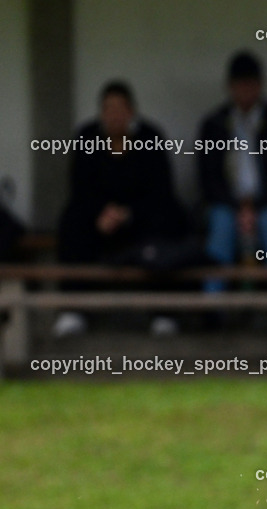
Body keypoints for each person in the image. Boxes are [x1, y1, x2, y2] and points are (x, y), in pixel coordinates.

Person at [54, 81, 187, 337]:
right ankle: (73, 310)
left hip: (139, 219)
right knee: (71, 221)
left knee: (170, 219)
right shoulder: (87, 137)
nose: (114, 115)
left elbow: (161, 191)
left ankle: (165, 313)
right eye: (107, 109)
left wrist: (128, 214)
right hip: (100, 222)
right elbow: (79, 188)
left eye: (119, 109)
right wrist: (101, 213)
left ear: (131, 112)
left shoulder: (150, 138)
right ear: (101, 114)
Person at [198, 51, 267, 292]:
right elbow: (208, 178)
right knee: (221, 225)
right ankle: (212, 312)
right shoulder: (213, 124)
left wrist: (255, 207)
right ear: (230, 87)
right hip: (226, 204)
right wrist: (239, 208)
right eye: (239, 84)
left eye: (250, 84)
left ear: (260, 85)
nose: (245, 90)